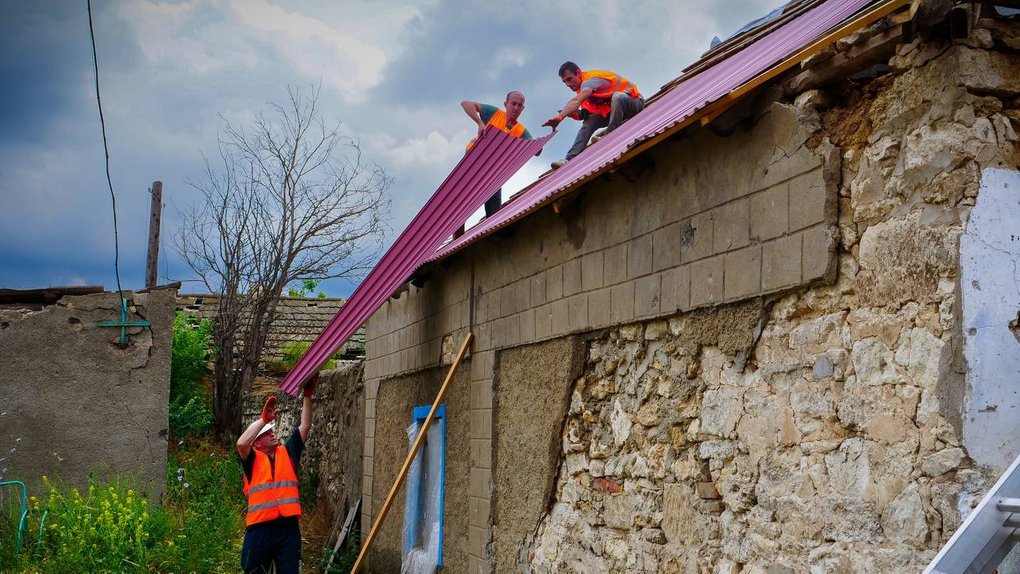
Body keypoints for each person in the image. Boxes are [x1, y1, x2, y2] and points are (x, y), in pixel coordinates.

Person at [236, 375, 317, 574]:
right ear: (256, 442)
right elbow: (241, 443)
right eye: (266, 433)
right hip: (259, 530)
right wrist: (263, 420)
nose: (272, 434)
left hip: (287, 530)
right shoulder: (253, 459)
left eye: (272, 431)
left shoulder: (287, 453)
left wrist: (307, 395)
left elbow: (304, 426)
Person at [455, 92, 536, 237]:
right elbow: (466, 103)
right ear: (506, 105)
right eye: (513, 104)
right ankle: (456, 245)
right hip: (473, 162)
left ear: (523, 109)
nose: (516, 108)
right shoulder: (493, 113)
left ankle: (496, 240)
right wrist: (480, 123)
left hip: (492, 172)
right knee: (460, 209)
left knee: (494, 213)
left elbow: (536, 149)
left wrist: (536, 146)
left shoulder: (521, 131)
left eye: (519, 105)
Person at [542, 62, 644, 168]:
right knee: (589, 122)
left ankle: (608, 137)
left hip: (635, 102)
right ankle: (569, 158)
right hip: (617, 112)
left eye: (569, 79)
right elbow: (587, 113)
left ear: (578, 73)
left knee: (617, 97)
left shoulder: (590, 81)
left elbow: (576, 100)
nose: (568, 84)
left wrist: (560, 116)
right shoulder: (582, 90)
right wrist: (577, 115)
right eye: (564, 82)